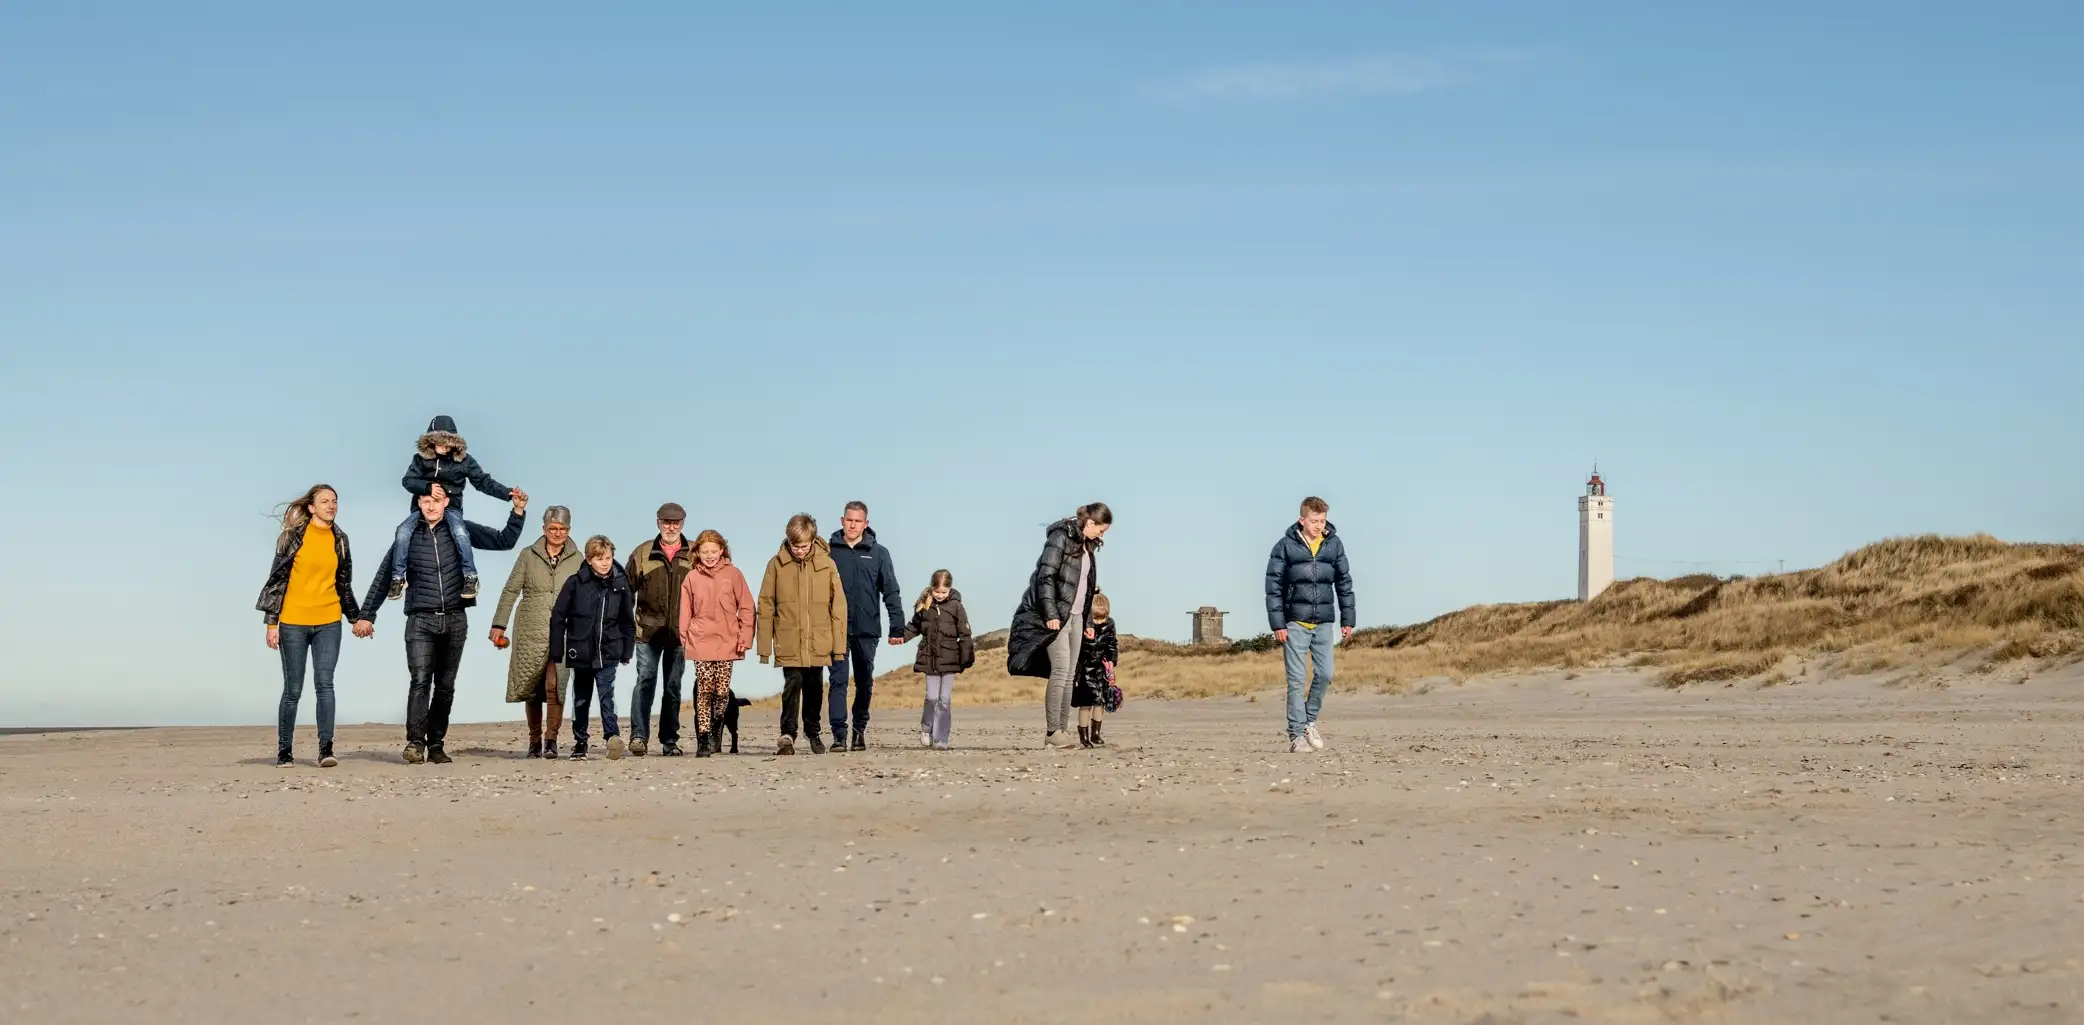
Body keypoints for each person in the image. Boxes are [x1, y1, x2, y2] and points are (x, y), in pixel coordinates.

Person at [357, 487, 527, 764]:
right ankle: (415, 743)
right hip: (420, 619)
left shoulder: (461, 531)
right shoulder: (407, 536)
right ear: (418, 502)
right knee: (420, 681)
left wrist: (517, 512)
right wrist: (367, 615)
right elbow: (384, 575)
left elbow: (503, 540)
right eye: (426, 501)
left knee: (445, 686)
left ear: (446, 502)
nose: (431, 507)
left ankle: (436, 744)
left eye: (436, 501)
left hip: (455, 618)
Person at [255, 484, 363, 768]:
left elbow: (344, 584)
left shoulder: (341, 539)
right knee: (293, 689)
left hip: (329, 621)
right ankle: (284, 752)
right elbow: (277, 581)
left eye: (334, 501)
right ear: (312, 507)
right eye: (324, 501)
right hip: (293, 622)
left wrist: (356, 618)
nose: (331, 505)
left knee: (325, 684)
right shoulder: (292, 538)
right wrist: (271, 623)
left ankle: (326, 749)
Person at [1006, 503, 1112, 749]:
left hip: (1076, 617)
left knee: (1071, 673)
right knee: (1061, 670)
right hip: (1057, 617)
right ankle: (1052, 732)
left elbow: (1086, 589)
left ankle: (1061, 731)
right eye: (1101, 530)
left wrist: (1087, 621)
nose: (1102, 535)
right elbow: (1045, 577)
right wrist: (1051, 613)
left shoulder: (1087, 547)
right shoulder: (1060, 537)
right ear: (1090, 522)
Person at [390, 414, 525, 602]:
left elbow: (483, 482)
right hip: (420, 607)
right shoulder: (420, 460)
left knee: (460, 532)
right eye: (440, 442)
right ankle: (398, 578)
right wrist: (427, 488)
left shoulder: (464, 461)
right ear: (431, 441)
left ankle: (471, 576)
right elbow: (408, 481)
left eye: (449, 443)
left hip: (453, 510)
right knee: (402, 531)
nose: (444, 447)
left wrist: (507, 494)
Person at [491, 506, 585, 759]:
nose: (557, 533)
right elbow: (511, 590)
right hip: (530, 629)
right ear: (544, 529)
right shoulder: (528, 555)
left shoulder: (578, 558)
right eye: (552, 528)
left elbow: (586, 595)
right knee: (532, 686)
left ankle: (551, 739)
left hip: (564, 631)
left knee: (556, 686)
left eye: (562, 529)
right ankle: (534, 741)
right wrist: (499, 624)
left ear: (569, 530)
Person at [1265, 496, 1356, 754]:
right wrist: (1278, 623)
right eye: (1314, 521)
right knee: (1296, 681)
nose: (1318, 526)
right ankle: (1296, 736)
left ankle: (1309, 720)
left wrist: (1348, 618)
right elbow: (1273, 587)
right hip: (1294, 622)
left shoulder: (1333, 545)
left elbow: (1344, 583)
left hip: (1324, 621)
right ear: (1302, 520)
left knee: (1326, 673)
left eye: (1322, 521)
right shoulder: (1285, 546)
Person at [756, 513, 847, 756]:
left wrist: (838, 647)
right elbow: (765, 605)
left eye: (804, 546)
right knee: (793, 683)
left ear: (813, 540)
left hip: (819, 640)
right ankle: (788, 733)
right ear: (788, 540)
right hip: (789, 640)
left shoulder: (827, 564)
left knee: (815, 687)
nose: (799, 550)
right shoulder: (776, 565)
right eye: (795, 545)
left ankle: (813, 731)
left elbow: (838, 607)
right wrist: (764, 647)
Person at [549, 535, 637, 761]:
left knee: (607, 694)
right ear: (589, 560)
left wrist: (627, 651)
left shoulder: (620, 584)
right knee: (581, 698)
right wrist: (557, 649)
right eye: (599, 559)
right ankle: (580, 743)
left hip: (609, 651)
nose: (605, 563)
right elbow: (558, 616)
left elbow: (627, 620)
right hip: (580, 652)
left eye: (608, 558)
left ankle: (612, 737)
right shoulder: (575, 583)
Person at [827, 502, 905, 752]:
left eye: (857, 521)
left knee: (864, 682)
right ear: (842, 521)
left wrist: (897, 626)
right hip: (835, 629)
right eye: (849, 520)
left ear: (866, 524)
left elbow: (890, 591)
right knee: (838, 681)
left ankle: (859, 730)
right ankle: (839, 735)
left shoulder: (879, 553)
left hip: (867, 629)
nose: (853, 525)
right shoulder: (828, 552)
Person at [626, 503, 697, 757]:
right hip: (647, 632)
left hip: (680, 634)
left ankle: (669, 741)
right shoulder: (643, 552)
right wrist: (627, 626)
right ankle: (638, 737)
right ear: (658, 523)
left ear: (683, 524)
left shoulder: (694, 554)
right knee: (645, 681)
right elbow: (626, 592)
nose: (671, 527)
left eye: (676, 523)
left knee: (673, 687)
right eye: (666, 522)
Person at [677, 528, 754, 759]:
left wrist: (745, 637)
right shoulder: (691, 578)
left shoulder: (734, 574)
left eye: (713, 551)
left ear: (721, 550)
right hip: (700, 639)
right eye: (705, 552)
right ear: (697, 553)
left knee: (721, 692)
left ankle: (716, 727)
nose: (709, 556)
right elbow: (685, 611)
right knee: (704, 689)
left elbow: (747, 607)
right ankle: (703, 738)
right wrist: (685, 638)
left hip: (727, 640)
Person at [900, 569, 974, 751]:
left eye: (944, 592)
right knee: (932, 697)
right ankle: (926, 728)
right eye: (937, 591)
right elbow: (914, 626)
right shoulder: (924, 604)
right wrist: (901, 637)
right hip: (929, 658)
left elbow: (965, 633)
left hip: (950, 658)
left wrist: (966, 656)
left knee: (944, 699)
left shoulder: (957, 606)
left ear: (950, 589)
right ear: (931, 588)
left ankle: (941, 738)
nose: (940, 595)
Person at [1074, 593, 1119, 748]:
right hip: (1085, 670)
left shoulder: (1110, 625)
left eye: (1102, 618)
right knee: (1086, 703)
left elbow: (1112, 644)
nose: (1098, 621)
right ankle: (1084, 735)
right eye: (1095, 618)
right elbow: (1077, 649)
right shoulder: (1082, 626)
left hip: (1102, 670)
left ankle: (1096, 733)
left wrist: (1112, 661)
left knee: (1100, 702)